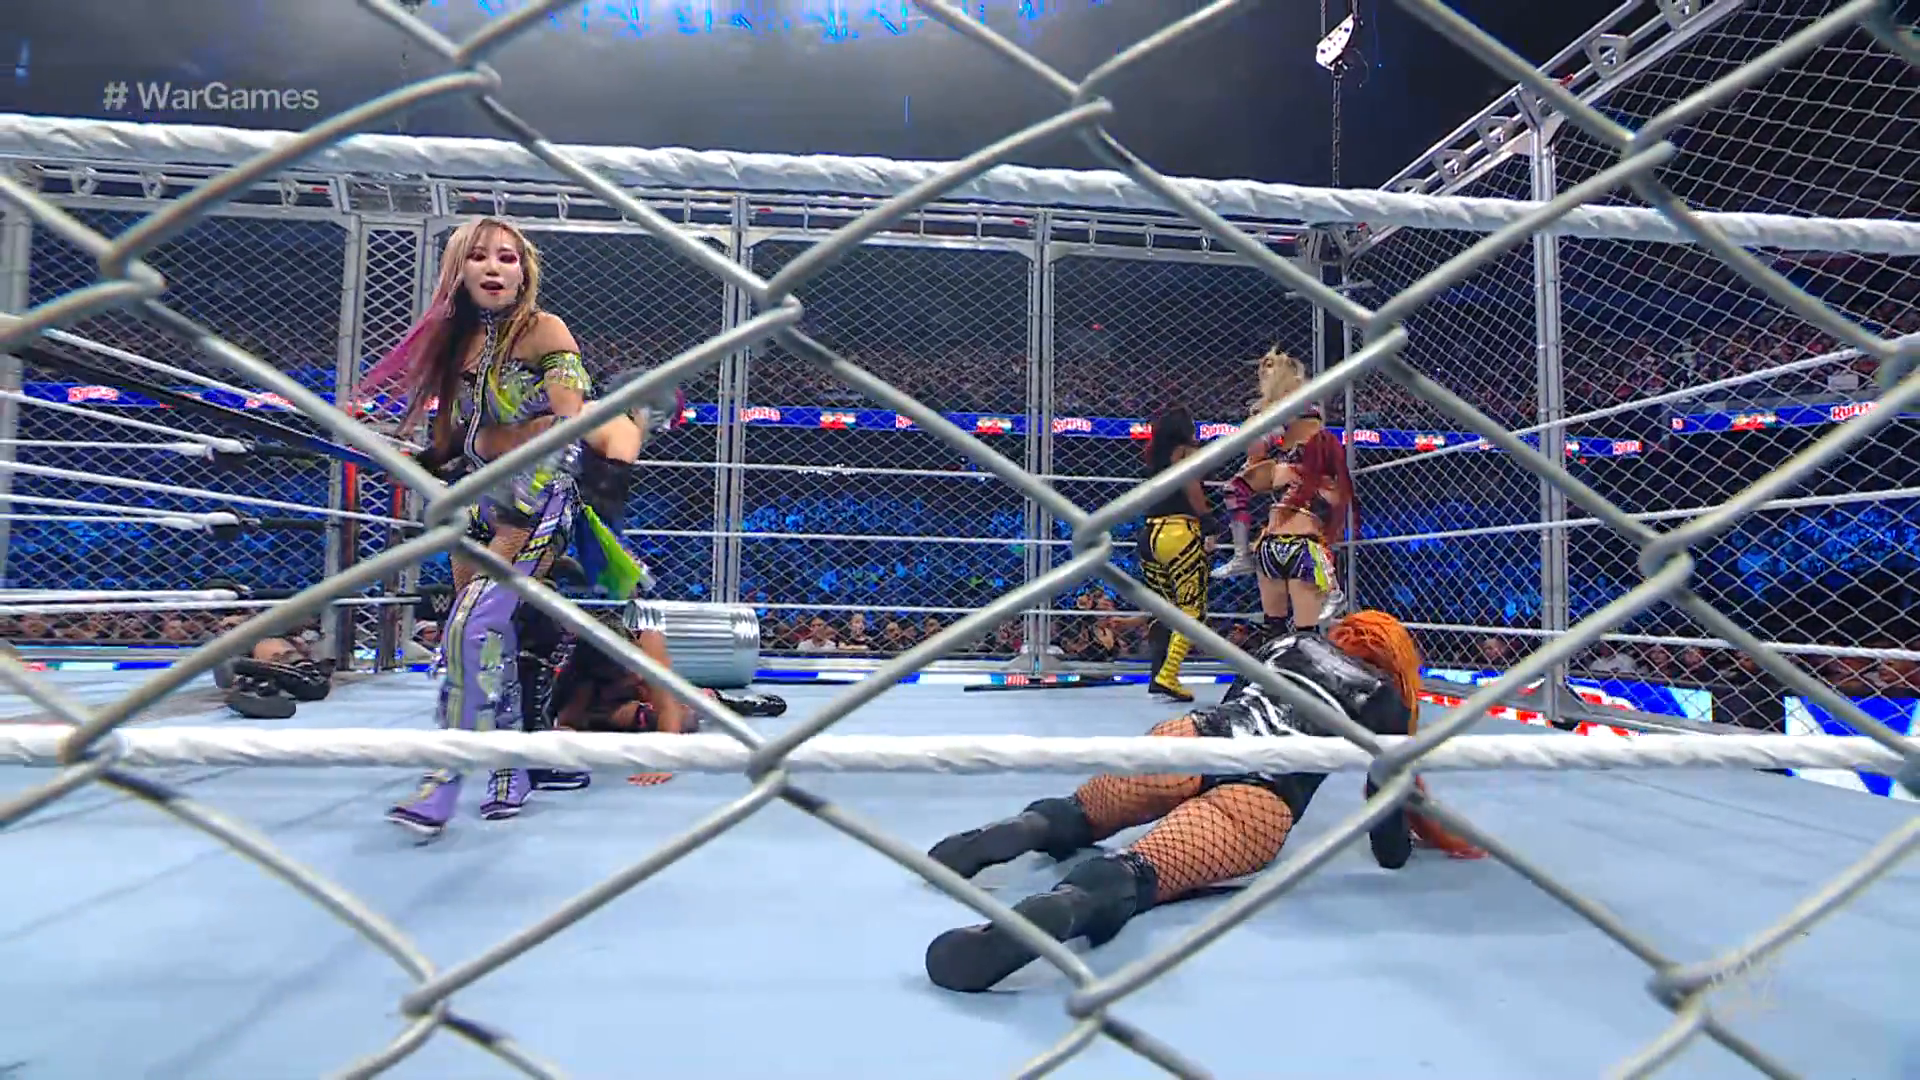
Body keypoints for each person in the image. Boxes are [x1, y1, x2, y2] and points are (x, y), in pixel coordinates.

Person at [921, 610, 1484, 993]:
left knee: (1079, 811)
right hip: (1261, 795)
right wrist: (1402, 847)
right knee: (1139, 870)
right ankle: (1069, 904)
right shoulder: (1383, 700)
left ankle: (1026, 828)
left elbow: (1238, 698)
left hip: (1196, 738)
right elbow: (1387, 825)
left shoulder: (1290, 643)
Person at [362, 217, 671, 838]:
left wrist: (519, 448)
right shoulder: (455, 343)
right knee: (485, 634)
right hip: (474, 503)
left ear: (524, 271)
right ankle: (510, 768)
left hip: (536, 499)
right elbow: (455, 440)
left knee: (469, 625)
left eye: (507, 257)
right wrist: (413, 455)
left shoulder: (544, 329)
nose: (494, 267)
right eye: (479, 256)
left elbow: (570, 419)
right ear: (458, 269)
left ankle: (446, 774)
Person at [514, 585, 787, 791]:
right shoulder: (583, 670)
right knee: (609, 719)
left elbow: (667, 706)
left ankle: (715, 699)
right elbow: (568, 721)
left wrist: (664, 760)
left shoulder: (649, 640)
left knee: (681, 714)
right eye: (626, 671)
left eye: (633, 664)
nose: (635, 673)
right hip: (607, 701)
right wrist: (565, 735)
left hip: (658, 699)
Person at [1226, 349, 1354, 636]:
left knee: (1305, 633)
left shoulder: (1316, 448)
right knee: (1274, 629)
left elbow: (1336, 499)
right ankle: (1240, 554)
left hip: (1304, 545)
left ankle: (1332, 591)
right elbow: (1251, 454)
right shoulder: (1278, 463)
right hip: (1270, 545)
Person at [1138, 405, 1221, 703]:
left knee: (1162, 607)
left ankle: (1157, 674)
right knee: (1191, 609)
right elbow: (1191, 484)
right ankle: (1169, 674)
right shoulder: (1186, 452)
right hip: (1179, 532)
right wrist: (1208, 519)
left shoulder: (1154, 456)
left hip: (1150, 534)